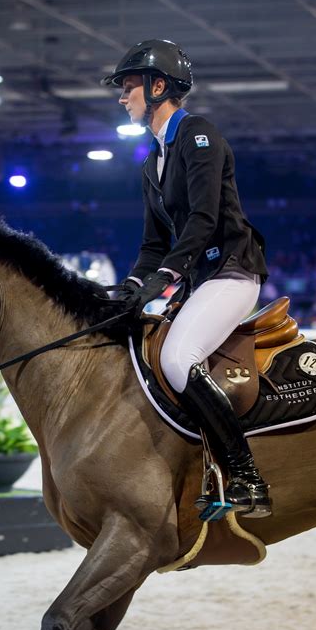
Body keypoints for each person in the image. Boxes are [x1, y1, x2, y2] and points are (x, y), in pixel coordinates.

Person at [101, 39, 271, 518]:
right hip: (198, 279)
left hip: (232, 271)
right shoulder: (151, 165)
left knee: (178, 358)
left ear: (159, 87)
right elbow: (152, 245)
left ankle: (247, 476)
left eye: (129, 86)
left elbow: (202, 218)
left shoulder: (200, 135)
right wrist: (131, 289)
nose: (122, 96)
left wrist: (166, 277)